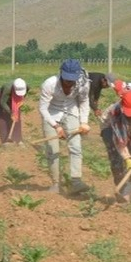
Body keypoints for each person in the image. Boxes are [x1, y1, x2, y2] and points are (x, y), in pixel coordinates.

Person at [38, 59, 92, 195]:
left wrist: (84, 122)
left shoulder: (83, 84)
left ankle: (76, 182)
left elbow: (84, 102)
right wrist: (56, 126)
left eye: (72, 79)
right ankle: (56, 183)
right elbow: (43, 109)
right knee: (53, 150)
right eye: (66, 79)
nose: (69, 83)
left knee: (76, 147)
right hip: (51, 114)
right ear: (61, 73)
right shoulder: (49, 84)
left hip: (71, 111)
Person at [0, 78, 29, 146]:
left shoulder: (27, 86)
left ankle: (18, 139)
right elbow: (3, 102)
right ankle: (5, 141)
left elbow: (24, 95)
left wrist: (20, 103)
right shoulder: (7, 88)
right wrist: (11, 113)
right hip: (3, 99)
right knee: (3, 118)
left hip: (16, 100)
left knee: (16, 118)